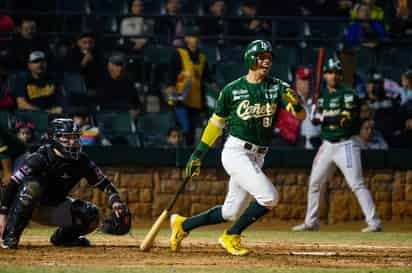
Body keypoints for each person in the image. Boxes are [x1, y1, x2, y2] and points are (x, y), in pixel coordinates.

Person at [169, 40, 306, 256]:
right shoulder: (232, 90)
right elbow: (215, 125)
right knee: (270, 197)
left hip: (258, 155)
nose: (266, 61)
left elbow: (300, 116)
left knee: (230, 211)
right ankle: (231, 235)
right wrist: (198, 154)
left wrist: (297, 103)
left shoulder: (278, 87)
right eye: (261, 57)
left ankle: (182, 225)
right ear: (250, 58)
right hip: (236, 151)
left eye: (269, 58)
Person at [0, 118, 129, 249]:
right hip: (26, 206)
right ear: (55, 139)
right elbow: (13, 184)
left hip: (54, 207)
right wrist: (3, 215)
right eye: (67, 138)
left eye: (75, 137)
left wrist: (116, 201)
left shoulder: (82, 160)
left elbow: (105, 184)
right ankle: (10, 236)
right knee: (32, 187)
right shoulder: (40, 158)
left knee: (91, 213)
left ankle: (64, 239)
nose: (73, 142)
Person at [292, 58, 382, 233]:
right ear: (324, 75)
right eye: (329, 72)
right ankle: (311, 223)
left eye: (336, 72)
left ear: (341, 75)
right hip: (327, 145)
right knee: (315, 183)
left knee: (356, 183)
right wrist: (314, 115)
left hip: (346, 144)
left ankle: (374, 223)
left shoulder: (348, 94)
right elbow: (317, 123)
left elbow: (344, 121)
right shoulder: (321, 96)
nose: (333, 76)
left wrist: (322, 117)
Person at [164, 25, 214, 146]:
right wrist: (171, 91)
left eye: (196, 37)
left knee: (191, 132)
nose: (195, 39)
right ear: (186, 38)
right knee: (182, 129)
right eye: (191, 37)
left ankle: (189, 160)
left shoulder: (202, 58)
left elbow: (208, 79)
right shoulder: (179, 54)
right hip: (181, 99)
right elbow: (170, 76)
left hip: (196, 101)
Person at [95, 52, 141, 120]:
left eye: (122, 65)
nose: (120, 68)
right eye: (117, 65)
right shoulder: (101, 80)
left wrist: (134, 113)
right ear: (109, 65)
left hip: (124, 118)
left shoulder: (128, 82)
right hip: (106, 118)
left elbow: (135, 105)